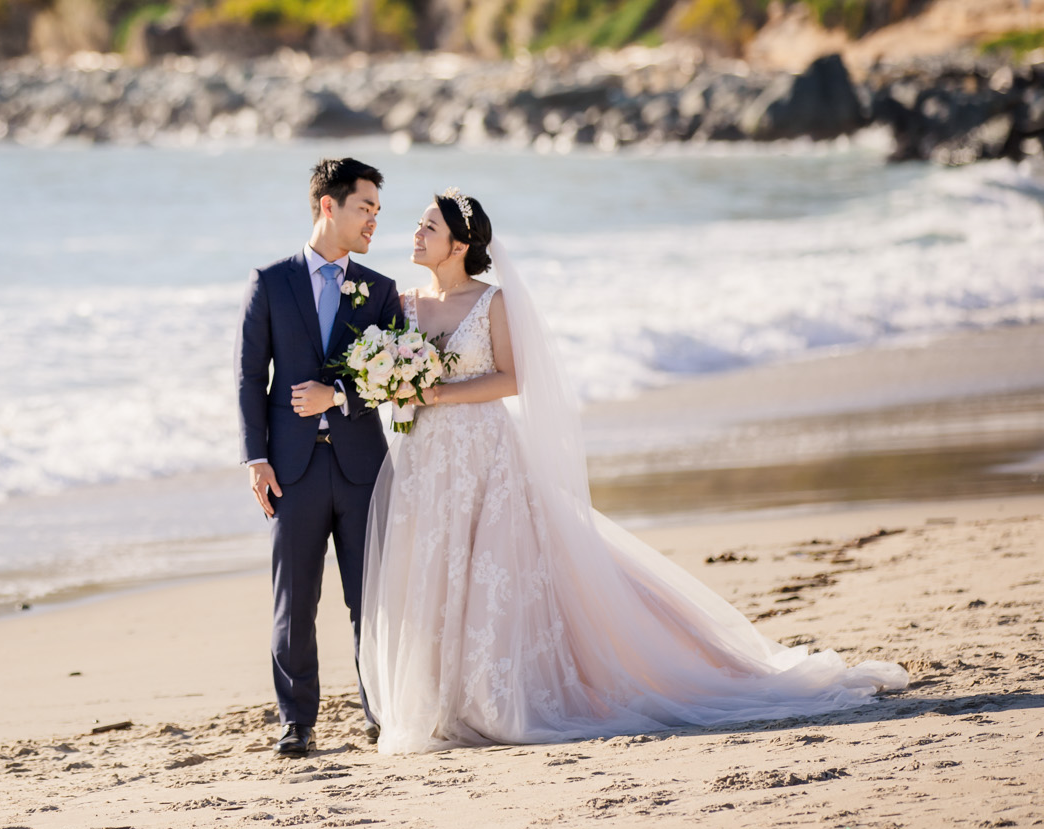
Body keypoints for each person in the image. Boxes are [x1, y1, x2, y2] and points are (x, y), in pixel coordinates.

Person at [357, 188, 907, 754]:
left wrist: (439, 392)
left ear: (460, 243)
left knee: (495, 571)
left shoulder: (490, 302)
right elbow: (380, 373)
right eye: (419, 226)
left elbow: (514, 379)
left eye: (428, 228)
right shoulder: (403, 304)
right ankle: (440, 702)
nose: (416, 235)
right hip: (425, 458)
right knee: (432, 570)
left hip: (484, 454)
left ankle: (494, 698)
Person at [235, 158, 406, 758]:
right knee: (294, 599)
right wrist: (255, 458)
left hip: (363, 467)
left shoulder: (381, 290)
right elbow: (250, 376)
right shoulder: (271, 282)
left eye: (378, 212)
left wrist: (339, 398)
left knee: (371, 599)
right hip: (291, 469)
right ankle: (296, 722)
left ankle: (381, 714)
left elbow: (397, 382)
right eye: (366, 208)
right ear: (328, 207)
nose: (374, 222)